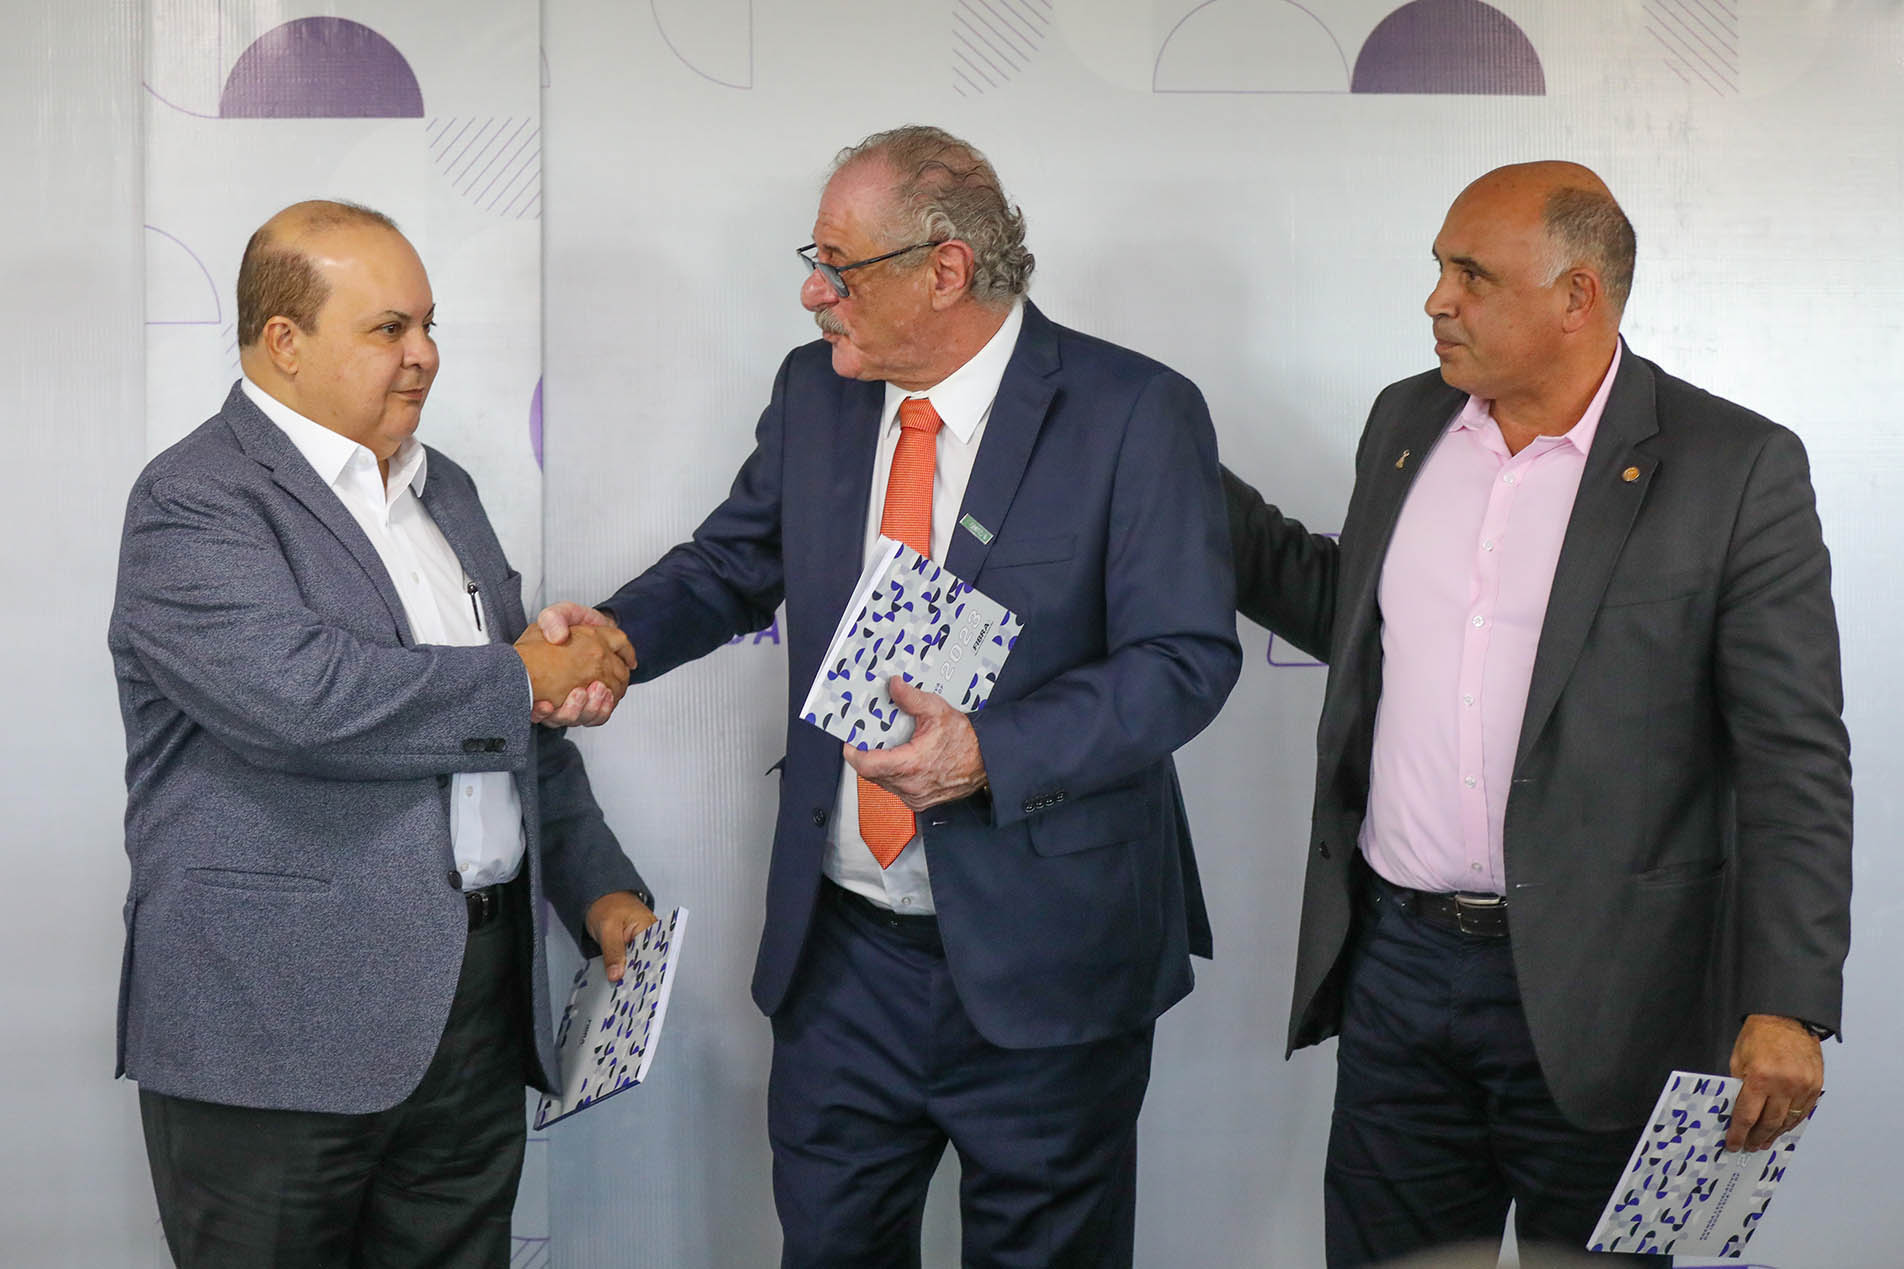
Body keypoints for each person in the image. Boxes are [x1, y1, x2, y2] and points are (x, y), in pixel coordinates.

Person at [536, 125, 1240, 1266]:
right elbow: (732, 563)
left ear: (945, 269)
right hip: (844, 963)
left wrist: (991, 752)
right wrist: (617, 639)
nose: (813, 293)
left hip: (1048, 957)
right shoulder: (815, 391)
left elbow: (1182, 659)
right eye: (811, 261)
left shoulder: (1132, 411)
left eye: (839, 266)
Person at [1224, 161, 1853, 1266]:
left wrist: (1787, 1003)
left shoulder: (1733, 467)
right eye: (1438, 267)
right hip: (1398, 973)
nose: (1436, 299)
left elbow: (1791, 760)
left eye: (1472, 274)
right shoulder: (1406, 419)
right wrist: (1168, 462)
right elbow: (1355, 615)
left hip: (1617, 996)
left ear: (1577, 297)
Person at [110, 200, 656, 1267]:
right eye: (388, 329)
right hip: (274, 1027)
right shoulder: (193, 499)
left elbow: (511, 731)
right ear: (284, 341)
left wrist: (600, 893)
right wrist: (524, 674)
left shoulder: (444, 489)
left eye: (428, 325)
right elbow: (302, 701)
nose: (425, 355)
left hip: (476, 1008)